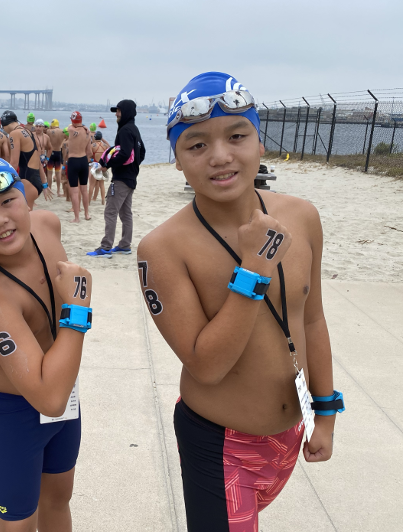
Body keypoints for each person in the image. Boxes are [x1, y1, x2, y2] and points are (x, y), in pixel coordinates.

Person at [137, 71, 343, 531]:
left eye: (236, 136)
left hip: (289, 437)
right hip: (220, 446)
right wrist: (254, 269)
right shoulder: (163, 249)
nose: (220, 156)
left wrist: (326, 413)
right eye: (196, 145)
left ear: (259, 142)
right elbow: (206, 366)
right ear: (177, 160)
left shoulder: (302, 216)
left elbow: (311, 320)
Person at [0, 154, 90, 531]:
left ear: (25, 197)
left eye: (7, 201)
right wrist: (78, 310)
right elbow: (48, 399)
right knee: (18, 523)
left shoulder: (47, 224)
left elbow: (58, 394)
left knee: (59, 498)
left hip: (65, 389)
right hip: (16, 414)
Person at [87, 99, 145, 258]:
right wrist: (134, 167)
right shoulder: (134, 129)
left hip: (121, 179)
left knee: (110, 212)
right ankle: (125, 245)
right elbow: (142, 152)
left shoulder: (125, 130)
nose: (116, 114)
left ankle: (106, 247)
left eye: (118, 111)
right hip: (131, 178)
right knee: (126, 213)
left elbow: (125, 154)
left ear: (126, 112)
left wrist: (107, 165)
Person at [0, 111, 52, 210]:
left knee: (26, 215)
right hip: (36, 181)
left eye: (3, 127)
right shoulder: (28, 132)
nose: (3, 130)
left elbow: (14, 163)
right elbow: (38, 161)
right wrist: (44, 184)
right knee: (27, 214)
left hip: (27, 181)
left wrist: (4, 182)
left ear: (5, 124)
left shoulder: (14, 134)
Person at [65, 112, 93, 223]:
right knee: (84, 190)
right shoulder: (87, 133)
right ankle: (86, 214)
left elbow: (71, 126)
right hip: (83, 161)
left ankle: (77, 218)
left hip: (73, 160)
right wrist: (85, 127)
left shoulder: (71, 129)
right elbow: (89, 152)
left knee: (75, 192)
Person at [46, 118, 66, 197]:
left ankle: (50, 189)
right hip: (58, 152)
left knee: (49, 173)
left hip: (51, 153)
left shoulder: (49, 131)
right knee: (58, 173)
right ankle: (58, 191)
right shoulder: (62, 131)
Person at [89, 131, 108, 205]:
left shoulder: (92, 145)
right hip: (102, 165)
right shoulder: (105, 145)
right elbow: (110, 148)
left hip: (95, 165)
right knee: (101, 185)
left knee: (92, 184)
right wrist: (103, 140)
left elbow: (89, 155)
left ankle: (89, 201)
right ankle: (103, 201)